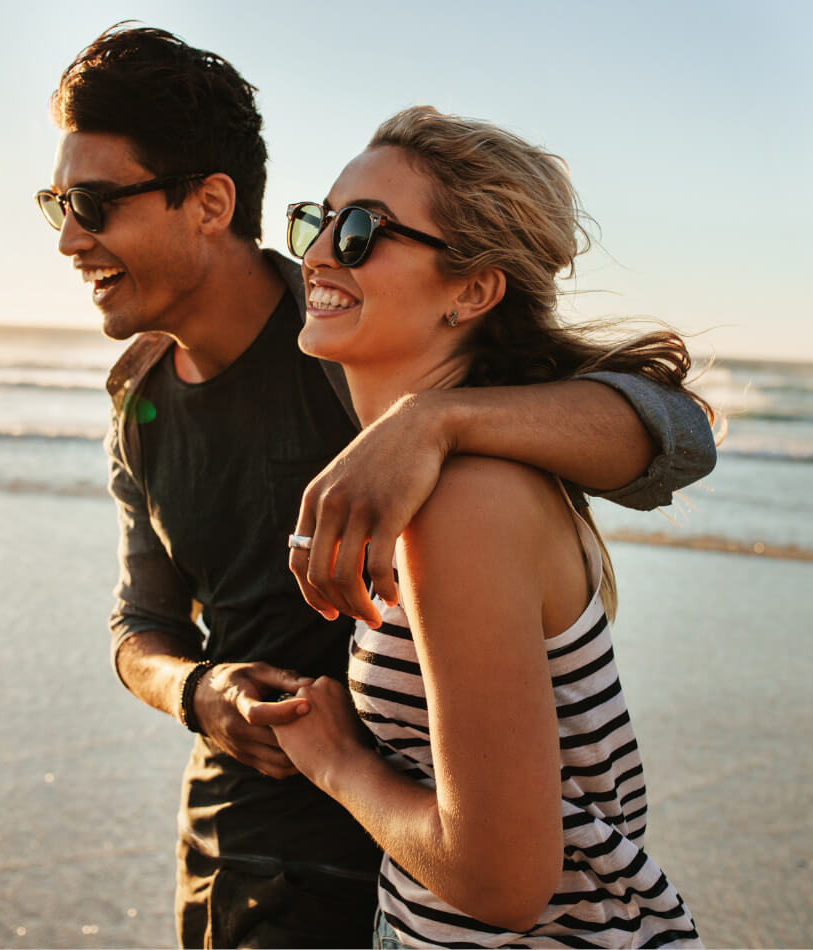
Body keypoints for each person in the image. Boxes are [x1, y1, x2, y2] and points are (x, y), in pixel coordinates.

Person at [37, 24, 716, 949]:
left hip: (394, 868)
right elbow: (139, 623)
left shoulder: (358, 347)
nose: (70, 237)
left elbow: (677, 437)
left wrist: (434, 423)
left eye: (94, 202)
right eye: (58, 204)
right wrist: (201, 691)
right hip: (249, 848)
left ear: (208, 203)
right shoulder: (139, 400)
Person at [272, 107, 706, 948]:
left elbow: (502, 883)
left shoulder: (461, 502)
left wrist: (336, 762)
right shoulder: (452, 472)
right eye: (317, 221)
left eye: (360, 230)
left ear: (471, 290)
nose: (320, 253)